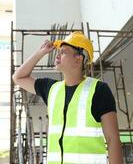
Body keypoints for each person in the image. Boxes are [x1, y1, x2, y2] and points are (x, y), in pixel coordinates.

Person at [12, 31, 123, 164]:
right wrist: (40, 52)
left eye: (63, 51)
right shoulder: (52, 89)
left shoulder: (99, 90)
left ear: (78, 59)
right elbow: (18, 77)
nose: (57, 54)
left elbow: (113, 139)